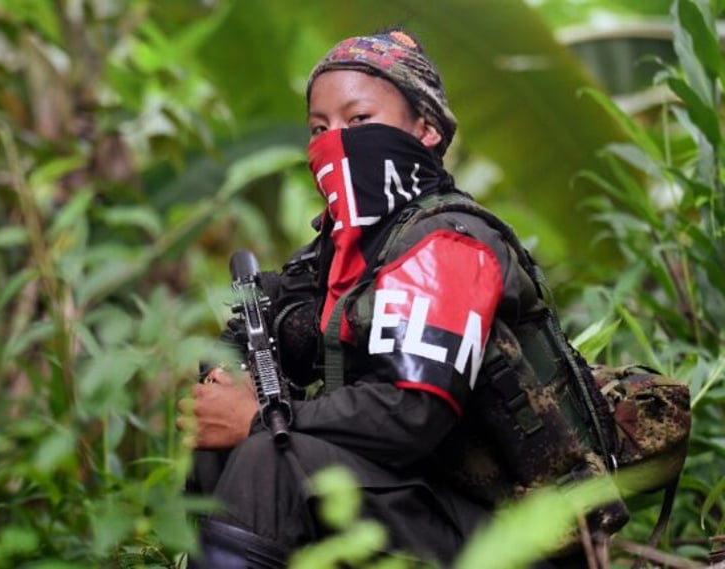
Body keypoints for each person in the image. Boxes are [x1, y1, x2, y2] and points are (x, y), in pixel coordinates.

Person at [178, 27, 597, 568]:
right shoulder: (341, 252)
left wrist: (263, 417)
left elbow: (413, 411)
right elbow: (270, 321)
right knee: (226, 443)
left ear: (424, 128)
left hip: (515, 530)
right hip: (418, 502)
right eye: (318, 128)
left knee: (271, 457)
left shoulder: (449, 242)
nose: (336, 141)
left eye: (359, 120)